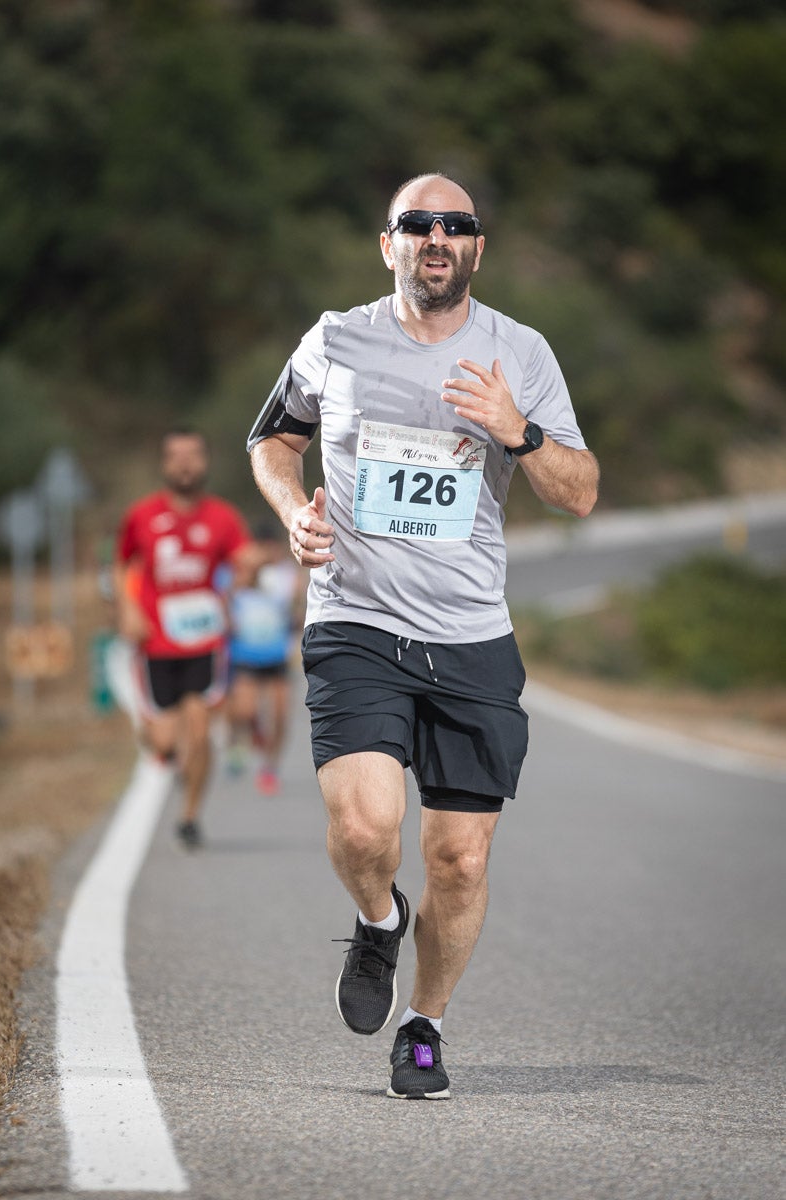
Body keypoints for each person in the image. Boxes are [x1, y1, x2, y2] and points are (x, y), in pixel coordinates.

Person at [247, 173, 599, 1098]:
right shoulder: (335, 338)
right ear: (387, 244)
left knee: (461, 855)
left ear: (477, 248)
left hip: (471, 633)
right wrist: (290, 511)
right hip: (355, 616)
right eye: (417, 224)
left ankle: (425, 1024)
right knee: (366, 827)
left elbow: (580, 490)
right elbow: (272, 441)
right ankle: (375, 920)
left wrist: (515, 431)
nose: (436, 237)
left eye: (456, 225)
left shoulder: (520, 352)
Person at [114, 427, 253, 848]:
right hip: (155, 641)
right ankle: (163, 746)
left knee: (199, 730)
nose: (185, 464)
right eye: (176, 456)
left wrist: (238, 583)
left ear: (205, 462)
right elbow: (121, 566)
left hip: (203, 642)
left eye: (193, 455)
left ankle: (189, 816)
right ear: (164, 463)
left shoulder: (222, 517)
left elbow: (243, 561)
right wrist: (129, 609)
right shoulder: (142, 515)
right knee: (163, 741)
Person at [220, 523, 305, 794]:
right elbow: (224, 596)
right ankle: (240, 739)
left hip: (276, 654)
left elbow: (296, 613)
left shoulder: (287, 575)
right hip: (244, 653)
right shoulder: (236, 572)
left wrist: (297, 605)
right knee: (245, 710)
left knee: (280, 715)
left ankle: (270, 767)